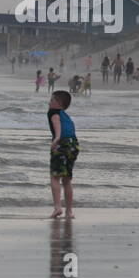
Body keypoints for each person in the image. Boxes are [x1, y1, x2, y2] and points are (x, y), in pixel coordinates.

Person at [47, 89, 78, 219]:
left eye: (52, 100)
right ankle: (69, 211)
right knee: (67, 179)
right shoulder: (67, 116)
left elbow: (56, 123)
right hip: (73, 145)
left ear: (58, 103)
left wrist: (56, 139)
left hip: (62, 144)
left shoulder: (53, 112)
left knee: (55, 177)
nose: (49, 102)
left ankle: (57, 207)